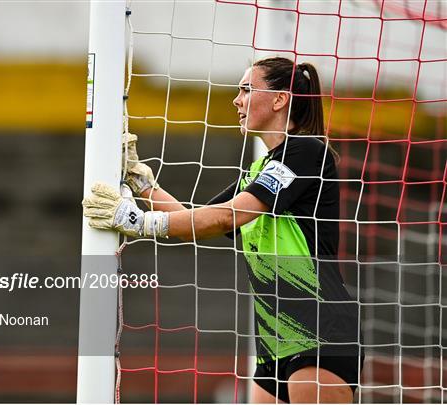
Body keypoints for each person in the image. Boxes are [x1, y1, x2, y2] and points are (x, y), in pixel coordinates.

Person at [83, 57, 363, 403]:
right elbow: (197, 219)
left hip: (321, 330)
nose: (237, 100)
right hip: (274, 340)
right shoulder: (260, 170)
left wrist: (138, 221)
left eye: (246, 89)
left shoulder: (307, 151)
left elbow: (227, 217)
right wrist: (142, 184)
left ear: (280, 99)